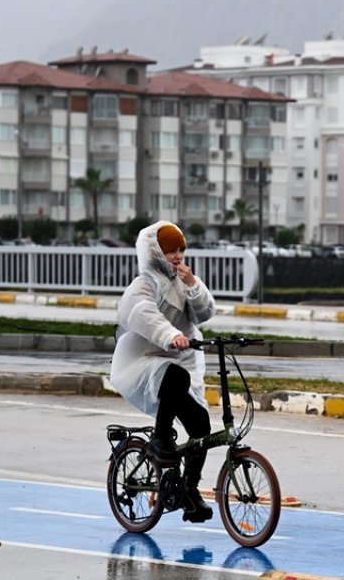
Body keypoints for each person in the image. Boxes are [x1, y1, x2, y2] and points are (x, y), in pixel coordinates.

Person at [110, 221, 216, 523]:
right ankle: (159, 437)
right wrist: (169, 335)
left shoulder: (183, 279)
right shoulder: (144, 283)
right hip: (144, 359)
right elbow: (142, 313)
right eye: (172, 250)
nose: (178, 255)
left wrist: (194, 286)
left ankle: (189, 491)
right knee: (175, 377)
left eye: (181, 249)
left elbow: (205, 313)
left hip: (179, 360)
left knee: (201, 426)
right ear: (156, 251)